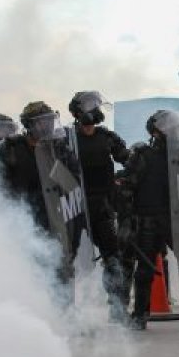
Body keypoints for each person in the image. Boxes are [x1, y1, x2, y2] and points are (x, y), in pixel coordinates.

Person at [116, 110, 179, 333]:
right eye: (168, 126)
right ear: (156, 131)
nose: (174, 130)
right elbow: (126, 190)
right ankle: (140, 315)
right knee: (145, 268)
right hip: (148, 217)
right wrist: (125, 222)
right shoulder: (143, 154)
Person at [0, 101, 83, 287]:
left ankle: (65, 313)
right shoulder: (11, 149)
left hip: (55, 216)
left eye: (50, 120)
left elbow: (74, 184)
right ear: (29, 125)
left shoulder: (59, 148)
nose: (48, 125)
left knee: (62, 269)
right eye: (42, 122)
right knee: (30, 271)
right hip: (24, 218)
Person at [67, 91, 130, 311]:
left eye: (96, 105)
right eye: (89, 106)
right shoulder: (67, 138)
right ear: (77, 111)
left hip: (101, 205)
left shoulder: (107, 137)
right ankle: (65, 310)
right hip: (74, 206)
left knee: (113, 258)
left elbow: (126, 158)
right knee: (66, 259)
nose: (95, 110)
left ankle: (117, 308)